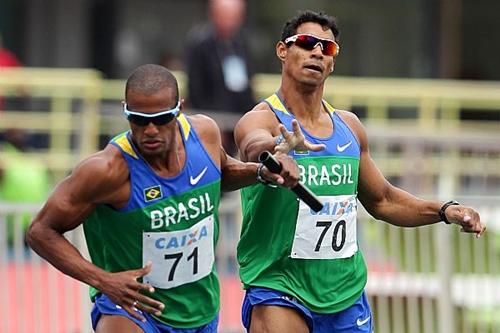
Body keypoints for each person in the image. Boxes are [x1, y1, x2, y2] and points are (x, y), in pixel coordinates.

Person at [233, 10, 487, 333]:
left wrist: (445, 210)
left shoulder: (349, 128)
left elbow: (382, 200)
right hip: (281, 289)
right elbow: (253, 143)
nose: (317, 52)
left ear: (333, 63)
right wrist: (274, 154)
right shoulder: (263, 118)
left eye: (327, 48)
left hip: (344, 293)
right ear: (282, 50)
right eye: (307, 43)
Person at [26, 64, 299, 333]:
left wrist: (262, 172)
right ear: (126, 110)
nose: (151, 130)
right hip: (132, 309)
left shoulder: (204, 135)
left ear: (179, 108)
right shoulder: (106, 171)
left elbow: (223, 173)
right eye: (139, 120)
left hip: (199, 308)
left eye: (161, 118)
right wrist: (105, 281)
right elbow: (40, 231)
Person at [185, 0, 255, 156]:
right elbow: (196, 88)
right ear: (213, 15)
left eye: (235, 17)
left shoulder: (242, 42)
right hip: (212, 118)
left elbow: (247, 83)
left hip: (238, 116)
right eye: (226, 16)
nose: (231, 22)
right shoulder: (199, 43)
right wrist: (211, 123)